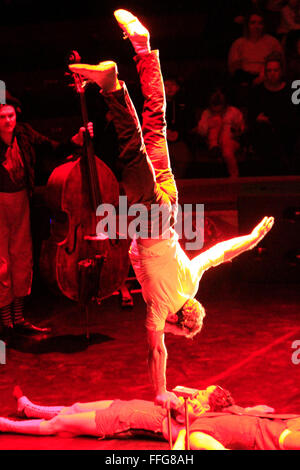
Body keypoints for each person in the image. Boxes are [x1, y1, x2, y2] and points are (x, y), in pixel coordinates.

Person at [69, 9, 275, 409]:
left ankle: (144, 48)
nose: (171, 334)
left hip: (170, 205)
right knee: (131, 150)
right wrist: (160, 391)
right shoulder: (161, 306)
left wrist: (253, 238)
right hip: (152, 218)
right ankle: (112, 86)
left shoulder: (192, 283)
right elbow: (156, 351)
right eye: (178, 332)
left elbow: (218, 254)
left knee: (156, 125)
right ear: (178, 320)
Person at [0, 92, 92, 342]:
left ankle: (18, 320)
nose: (8, 121)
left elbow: (52, 148)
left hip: (20, 200)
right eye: (2, 117)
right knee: (2, 264)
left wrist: (75, 139)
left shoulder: (25, 133)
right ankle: (5, 323)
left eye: (11, 116)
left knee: (22, 258)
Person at [0, 385, 234, 442]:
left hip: (119, 422)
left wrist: (175, 401)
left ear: (210, 405)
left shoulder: (195, 417)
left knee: (60, 423)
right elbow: (182, 390)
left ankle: (7, 425)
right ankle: (28, 409)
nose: (200, 390)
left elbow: (178, 413)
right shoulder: (195, 405)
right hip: (126, 406)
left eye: (205, 392)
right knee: (76, 407)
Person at [248, 51, 298, 174]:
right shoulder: (258, 91)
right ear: (265, 72)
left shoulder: (292, 89)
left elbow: (295, 114)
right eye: (269, 71)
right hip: (266, 133)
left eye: (275, 70)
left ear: (281, 71)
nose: (272, 74)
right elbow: (252, 115)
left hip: (288, 131)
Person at [228, 10, 284, 106]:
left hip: (267, 77)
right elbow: (233, 68)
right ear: (247, 25)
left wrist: (263, 76)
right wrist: (248, 80)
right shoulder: (238, 43)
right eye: (253, 23)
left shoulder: (272, 42)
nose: (256, 26)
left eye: (260, 23)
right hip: (245, 80)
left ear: (264, 25)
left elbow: (281, 64)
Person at [173, 408, 300, 450]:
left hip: (284, 423)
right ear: (180, 418)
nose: (194, 400)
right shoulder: (195, 433)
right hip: (269, 436)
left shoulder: (214, 414)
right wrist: (182, 434)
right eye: (187, 403)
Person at [196, 88, 245, 177]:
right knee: (216, 120)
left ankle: (234, 177)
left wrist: (236, 129)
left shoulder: (233, 112)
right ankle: (215, 148)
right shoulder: (207, 113)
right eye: (214, 109)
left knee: (227, 151)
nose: (217, 111)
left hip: (230, 140)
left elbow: (241, 128)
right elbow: (201, 132)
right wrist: (209, 123)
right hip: (213, 142)